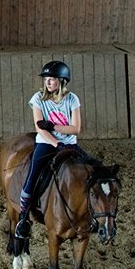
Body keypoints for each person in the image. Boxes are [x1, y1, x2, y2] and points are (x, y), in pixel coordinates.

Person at [13, 60, 84, 243]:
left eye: (52, 80)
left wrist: (54, 125)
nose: (48, 83)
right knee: (32, 175)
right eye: (46, 80)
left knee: (90, 170)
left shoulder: (72, 99)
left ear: (61, 81)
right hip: (46, 143)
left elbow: (75, 129)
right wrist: (55, 143)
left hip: (69, 143)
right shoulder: (38, 99)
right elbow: (40, 128)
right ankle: (23, 219)